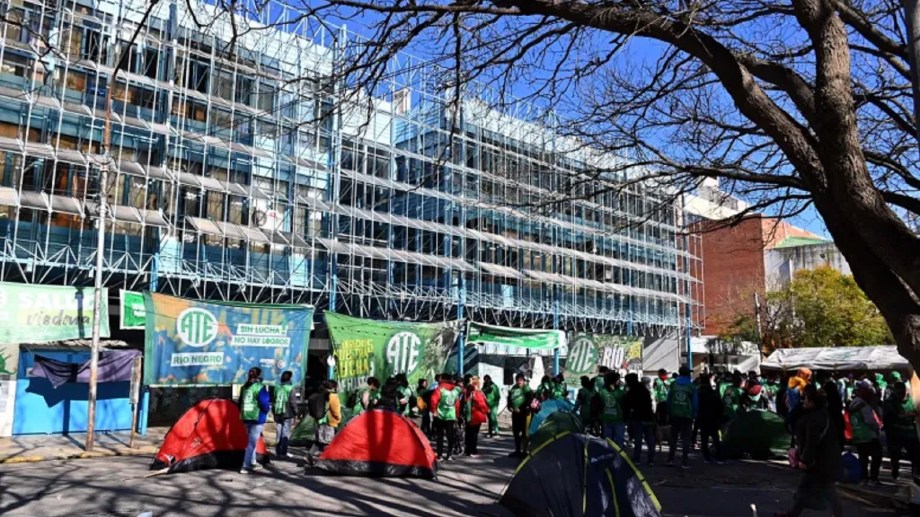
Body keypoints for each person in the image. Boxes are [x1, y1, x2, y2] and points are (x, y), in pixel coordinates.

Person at [777, 385, 843, 517]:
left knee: (808, 487)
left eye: (806, 399)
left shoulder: (814, 418)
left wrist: (805, 460)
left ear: (813, 402)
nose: (804, 401)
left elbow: (811, 441)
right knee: (826, 488)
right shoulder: (822, 414)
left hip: (818, 460)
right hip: (825, 459)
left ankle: (799, 512)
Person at [882, 381, 920, 482]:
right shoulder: (890, 402)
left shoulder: (909, 400)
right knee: (895, 455)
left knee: (916, 455)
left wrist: (911, 414)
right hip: (895, 433)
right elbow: (890, 416)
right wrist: (906, 415)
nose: (901, 395)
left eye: (903, 392)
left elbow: (915, 411)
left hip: (909, 432)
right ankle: (895, 472)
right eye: (899, 393)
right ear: (895, 392)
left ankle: (916, 474)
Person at [849, 381, 882, 485]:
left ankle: (863, 478)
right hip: (869, 435)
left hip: (858, 434)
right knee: (877, 456)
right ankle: (873, 479)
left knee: (863, 457)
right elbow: (870, 421)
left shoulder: (853, 404)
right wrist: (877, 428)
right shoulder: (864, 405)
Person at [238, 367, 271, 474]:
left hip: (245, 416)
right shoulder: (260, 387)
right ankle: (245, 466)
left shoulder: (244, 387)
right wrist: (267, 410)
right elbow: (264, 403)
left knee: (251, 442)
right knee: (251, 443)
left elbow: (240, 403)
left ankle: (253, 462)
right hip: (257, 418)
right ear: (259, 375)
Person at [667, 366, 697, 468]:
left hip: (674, 414)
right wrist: (695, 414)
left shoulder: (673, 384)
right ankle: (684, 461)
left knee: (673, 437)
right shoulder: (692, 386)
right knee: (686, 438)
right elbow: (695, 403)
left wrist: (668, 411)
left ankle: (670, 459)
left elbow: (669, 399)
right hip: (687, 415)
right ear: (688, 374)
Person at [623, 372, 656, 466]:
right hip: (649, 417)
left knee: (638, 439)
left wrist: (626, 416)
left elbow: (627, 405)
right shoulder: (644, 389)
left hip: (638, 418)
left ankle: (637, 459)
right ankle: (651, 460)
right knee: (650, 439)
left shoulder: (632, 391)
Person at [430, 372, 461, 461]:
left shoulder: (440, 389)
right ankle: (449, 455)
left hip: (440, 416)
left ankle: (439, 455)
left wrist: (434, 411)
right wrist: (457, 415)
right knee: (450, 435)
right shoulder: (456, 390)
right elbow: (457, 404)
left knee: (440, 436)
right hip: (451, 416)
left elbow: (433, 400)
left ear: (443, 378)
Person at [270, 371, 298, 459]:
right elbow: (293, 402)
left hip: (278, 413)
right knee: (285, 434)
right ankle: (283, 453)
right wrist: (296, 413)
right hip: (288, 413)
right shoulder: (290, 388)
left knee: (278, 433)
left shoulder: (277, 387)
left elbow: (274, 400)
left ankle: (277, 452)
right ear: (290, 378)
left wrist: (274, 412)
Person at [697, 373, 724, 464]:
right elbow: (720, 406)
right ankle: (719, 457)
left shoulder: (698, 394)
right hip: (713, 418)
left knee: (704, 439)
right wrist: (719, 416)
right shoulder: (713, 393)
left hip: (703, 418)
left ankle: (706, 457)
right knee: (716, 438)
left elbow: (696, 406)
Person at [507, 373, 534, 457]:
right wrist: (510, 407)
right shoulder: (513, 388)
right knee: (516, 432)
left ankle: (524, 452)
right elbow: (509, 399)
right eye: (517, 380)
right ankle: (517, 450)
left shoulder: (526, 388)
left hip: (524, 414)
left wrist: (522, 409)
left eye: (521, 380)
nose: (519, 382)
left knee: (525, 433)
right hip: (515, 414)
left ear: (523, 381)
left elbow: (529, 400)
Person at [463, 376, 490, 457]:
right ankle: (473, 450)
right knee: (474, 433)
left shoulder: (466, 390)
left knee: (468, 433)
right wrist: (487, 409)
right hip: (476, 415)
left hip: (469, 415)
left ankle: (467, 449)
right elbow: (481, 403)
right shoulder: (477, 392)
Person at [599, 372, 627, 448]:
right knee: (618, 444)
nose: (619, 381)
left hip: (608, 420)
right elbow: (624, 406)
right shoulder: (620, 393)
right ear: (614, 381)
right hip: (617, 421)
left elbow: (600, 405)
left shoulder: (602, 391)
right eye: (618, 380)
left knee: (608, 443)